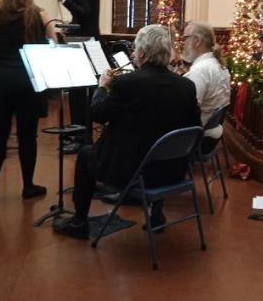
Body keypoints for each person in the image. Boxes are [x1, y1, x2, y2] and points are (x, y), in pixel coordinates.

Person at [54, 25, 201, 239]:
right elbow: (194, 126)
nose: (132, 54)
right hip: (173, 172)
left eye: (135, 50)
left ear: (142, 53)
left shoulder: (127, 83)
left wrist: (102, 87)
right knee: (159, 139)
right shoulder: (186, 86)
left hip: (134, 173)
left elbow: (97, 114)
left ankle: (79, 223)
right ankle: (157, 216)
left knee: (86, 154)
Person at [0, 0, 57, 203]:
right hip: (28, 80)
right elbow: (54, 39)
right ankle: (28, 186)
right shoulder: (37, 13)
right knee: (27, 136)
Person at [50, 0, 102, 149]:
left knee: (80, 94)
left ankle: (82, 138)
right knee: (76, 94)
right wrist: (68, 28)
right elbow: (81, 18)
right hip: (81, 39)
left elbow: (85, 12)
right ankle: (78, 134)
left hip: (85, 44)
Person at [182, 21, 232, 154]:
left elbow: (187, 112)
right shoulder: (217, 65)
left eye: (185, 38)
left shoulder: (200, 72)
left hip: (197, 140)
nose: (183, 43)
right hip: (210, 135)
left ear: (197, 40)